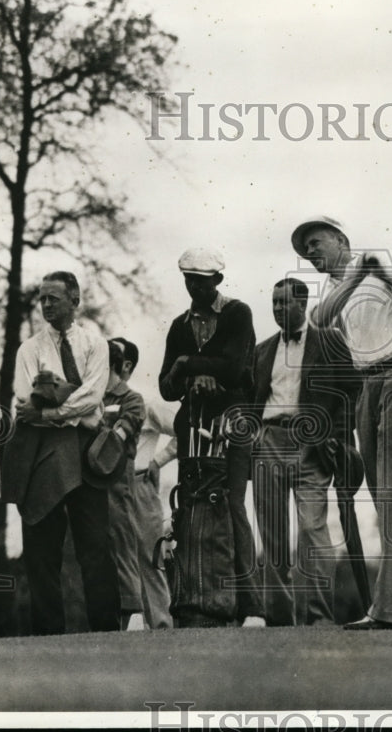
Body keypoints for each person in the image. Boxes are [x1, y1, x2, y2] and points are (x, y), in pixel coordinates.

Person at [291, 215, 392, 630]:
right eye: (304, 249)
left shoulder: (381, 266)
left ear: (341, 239)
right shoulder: (335, 288)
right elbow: (320, 319)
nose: (310, 253)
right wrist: (356, 275)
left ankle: (390, 611)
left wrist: (380, 270)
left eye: (316, 242)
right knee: (384, 497)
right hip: (370, 386)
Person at [3, 272, 120, 635]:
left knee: (96, 546)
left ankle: (106, 633)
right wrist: (59, 402)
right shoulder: (29, 349)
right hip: (44, 454)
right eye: (42, 299)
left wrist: (52, 407)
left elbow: (93, 396)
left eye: (54, 298)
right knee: (42, 551)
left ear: (75, 299)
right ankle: (48, 637)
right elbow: (26, 401)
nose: (47, 305)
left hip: (88, 453)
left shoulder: (95, 344)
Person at [158, 248, 264, 626]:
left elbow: (237, 369)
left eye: (201, 281)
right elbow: (165, 387)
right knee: (190, 505)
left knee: (232, 505)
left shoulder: (238, 312)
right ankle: (197, 603)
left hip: (232, 419)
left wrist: (188, 364)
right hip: (193, 421)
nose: (194, 287)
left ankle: (250, 606)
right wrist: (192, 376)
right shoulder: (179, 325)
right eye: (189, 279)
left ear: (217, 280)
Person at [251, 277, 360, 625]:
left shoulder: (330, 341)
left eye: (284, 302)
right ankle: (280, 621)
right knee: (272, 536)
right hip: (268, 442)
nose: (278, 309)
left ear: (302, 303)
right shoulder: (263, 349)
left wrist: (335, 438)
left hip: (312, 446)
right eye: (274, 302)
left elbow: (351, 393)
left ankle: (318, 618)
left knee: (313, 530)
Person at [111, 336, 177, 630]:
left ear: (126, 365)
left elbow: (183, 430)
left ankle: (161, 628)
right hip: (107, 489)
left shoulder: (145, 402)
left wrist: (157, 461)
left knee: (150, 559)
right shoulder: (96, 401)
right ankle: (116, 634)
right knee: (113, 562)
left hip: (138, 485)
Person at [102, 340, 146, 630]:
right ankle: (110, 617)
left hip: (118, 481)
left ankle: (134, 615)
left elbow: (117, 437)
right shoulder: (94, 396)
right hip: (92, 484)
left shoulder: (132, 398)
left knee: (122, 544)